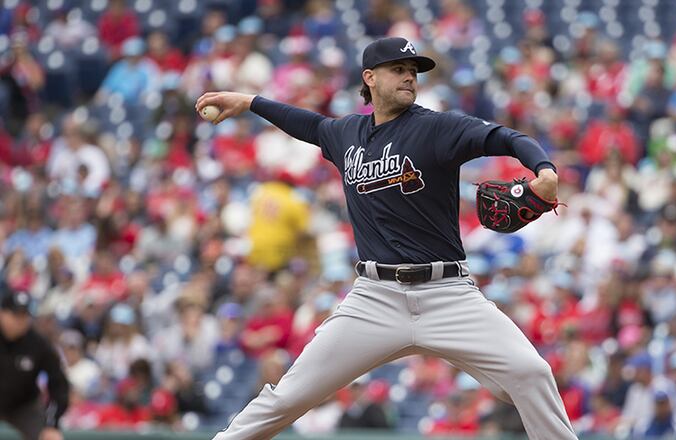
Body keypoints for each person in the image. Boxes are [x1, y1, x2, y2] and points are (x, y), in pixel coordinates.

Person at [197, 36, 576, 440]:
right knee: (287, 397)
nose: (409, 77)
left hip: (447, 293)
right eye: (399, 69)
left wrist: (545, 169)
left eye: (413, 72)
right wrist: (251, 101)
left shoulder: (437, 127)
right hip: (374, 299)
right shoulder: (346, 134)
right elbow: (306, 124)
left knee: (531, 373)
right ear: (370, 78)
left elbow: (503, 137)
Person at [0, 288, 69, 440]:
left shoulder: (38, 344)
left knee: (52, 438)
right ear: (2, 313)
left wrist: (52, 423)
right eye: (15, 315)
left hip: (24, 405)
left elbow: (59, 384)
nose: (20, 321)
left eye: (24, 316)